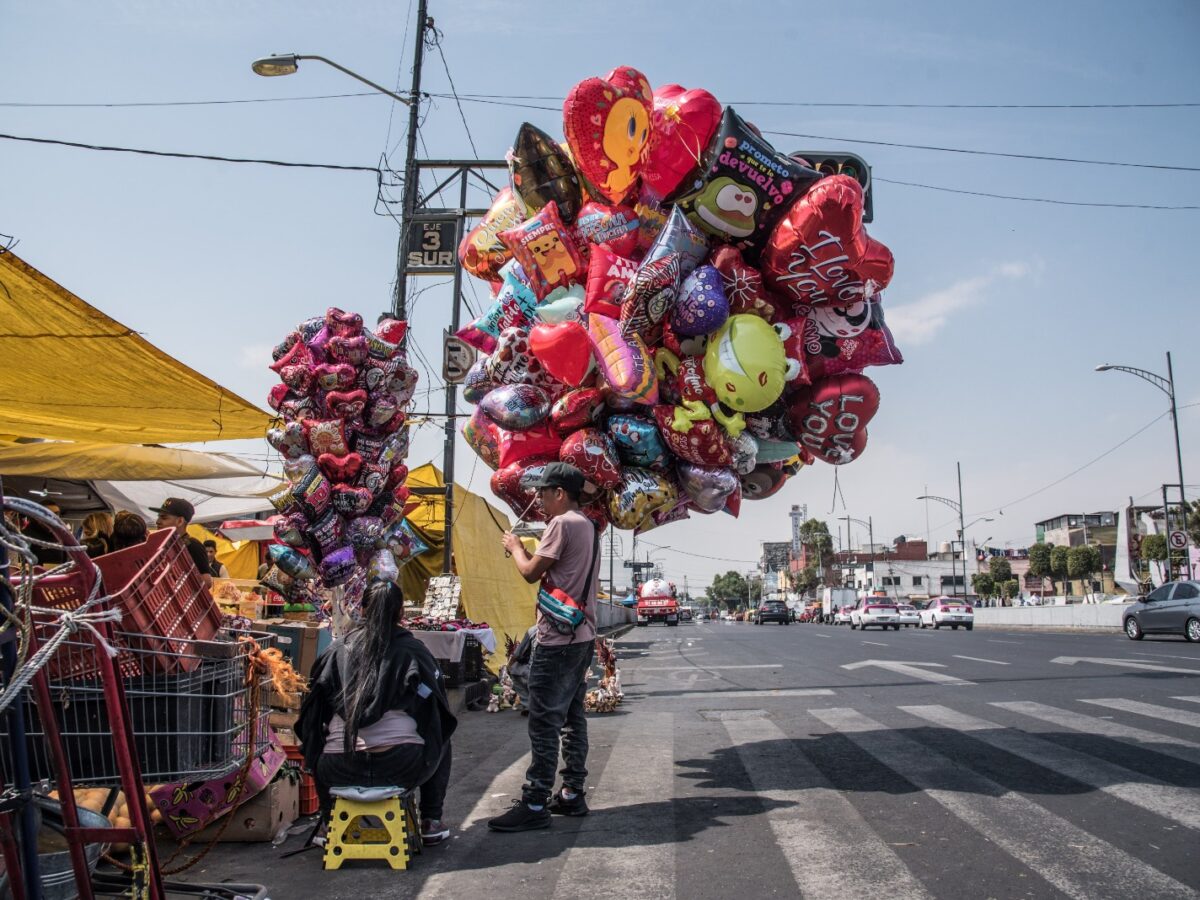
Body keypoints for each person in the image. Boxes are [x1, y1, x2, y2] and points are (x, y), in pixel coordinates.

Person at [296, 581, 457, 847]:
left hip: (337, 768)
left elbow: (312, 716)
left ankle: (327, 822)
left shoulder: (335, 650)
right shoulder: (414, 652)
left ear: (361, 610)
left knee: (319, 736)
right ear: (401, 612)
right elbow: (436, 711)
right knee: (442, 733)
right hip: (402, 765)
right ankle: (431, 820)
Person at [489, 462, 600, 833]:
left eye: (543, 492)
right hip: (582, 635)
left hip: (557, 640)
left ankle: (535, 800)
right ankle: (571, 792)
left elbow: (530, 572)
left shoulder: (561, 524)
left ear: (560, 493)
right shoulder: (589, 526)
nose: (538, 499)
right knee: (572, 717)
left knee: (544, 722)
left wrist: (516, 547)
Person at [152, 498, 212, 589]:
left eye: (164, 518)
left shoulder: (192, 546)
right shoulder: (162, 545)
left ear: (180, 521)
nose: (158, 521)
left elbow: (207, 582)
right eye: (159, 517)